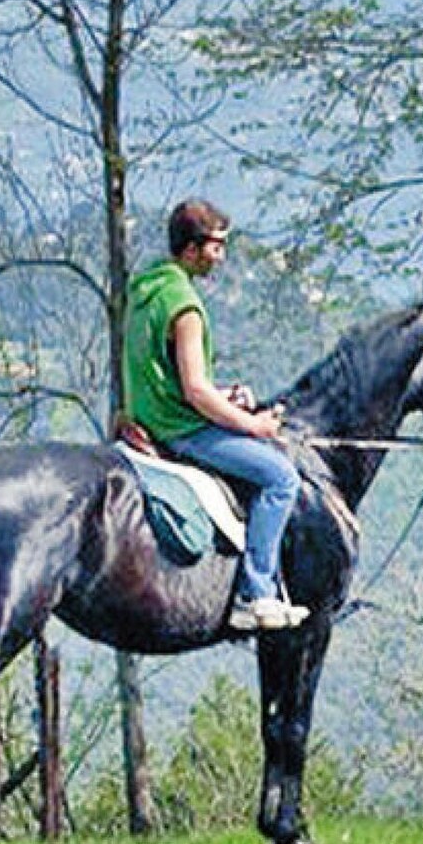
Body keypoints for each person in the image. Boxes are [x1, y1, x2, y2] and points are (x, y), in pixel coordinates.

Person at [122, 199, 307, 632]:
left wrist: (227, 395)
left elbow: (167, 375)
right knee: (281, 478)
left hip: (150, 415)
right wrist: (254, 425)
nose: (221, 257)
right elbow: (197, 393)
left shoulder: (147, 287)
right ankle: (255, 592)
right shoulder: (184, 306)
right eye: (216, 247)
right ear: (191, 249)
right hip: (181, 428)